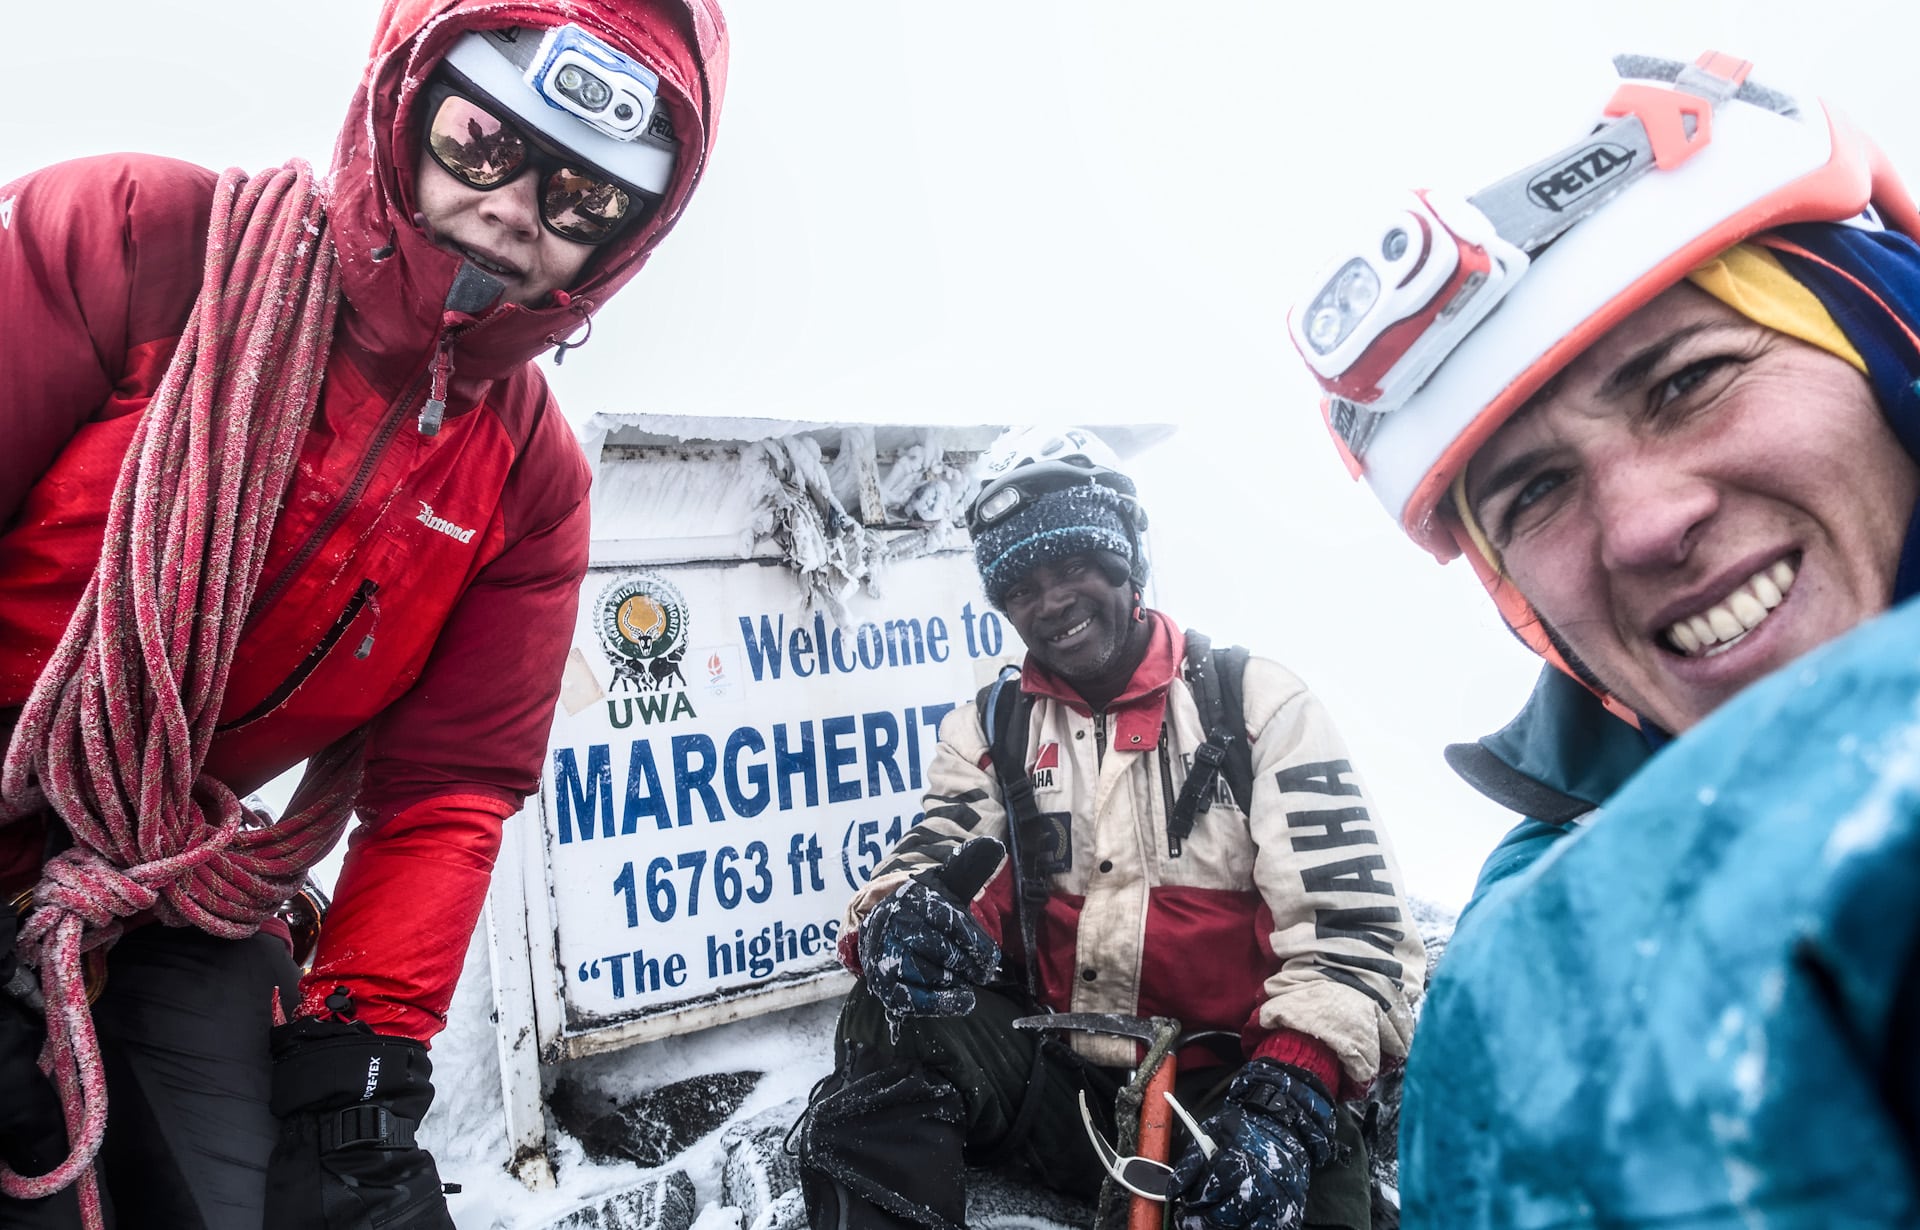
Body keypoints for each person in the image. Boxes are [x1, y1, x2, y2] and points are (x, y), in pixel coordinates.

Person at [0, 1, 726, 1225]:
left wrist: (363, 1071)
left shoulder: (528, 485)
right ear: (407, 93)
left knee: (258, 1190)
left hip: (159, 882)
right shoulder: (130, 241)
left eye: (583, 200)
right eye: (484, 144)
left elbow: (445, 788)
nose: (514, 209)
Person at [1286, 51, 1920, 1227]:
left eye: (1690, 381)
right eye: (1533, 494)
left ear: (1891, 347)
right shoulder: (1537, 932)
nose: (1639, 526)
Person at [792, 428, 1426, 1230]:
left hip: (1241, 1093)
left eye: (1073, 567)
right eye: (1021, 584)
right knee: (889, 1008)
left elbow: (1355, 933)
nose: (1050, 602)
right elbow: (937, 855)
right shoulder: (991, 729)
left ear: (1128, 559)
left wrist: (1286, 1095)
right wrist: (903, 921)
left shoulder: (1258, 704)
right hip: (1064, 1089)